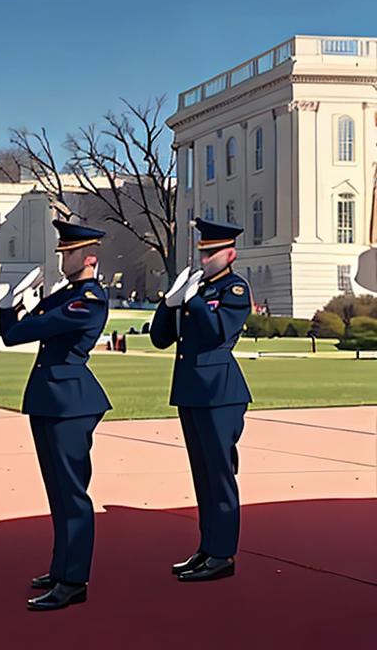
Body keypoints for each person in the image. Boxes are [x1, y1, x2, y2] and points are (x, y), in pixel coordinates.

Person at [0, 220, 112, 611]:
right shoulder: (66, 295)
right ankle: (62, 565)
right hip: (50, 398)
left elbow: (36, 327)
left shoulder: (89, 299)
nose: (63, 257)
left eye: (70, 252)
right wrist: (9, 304)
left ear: (89, 256)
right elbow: (12, 334)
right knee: (58, 492)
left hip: (71, 402)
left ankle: (74, 579)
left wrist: (23, 312)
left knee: (72, 494)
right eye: (62, 251)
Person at [149, 218, 252, 583]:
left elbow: (216, 332)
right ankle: (208, 547)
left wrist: (193, 303)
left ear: (231, 254)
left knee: (219, 475)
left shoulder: (234, 290)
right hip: (192, 390)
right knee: (203, 475)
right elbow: (159, 339)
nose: (205, 258)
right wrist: (169, 302)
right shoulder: (197, 287)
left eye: (212, 253)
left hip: (219, 392)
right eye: (203, 252)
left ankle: (223, 554)